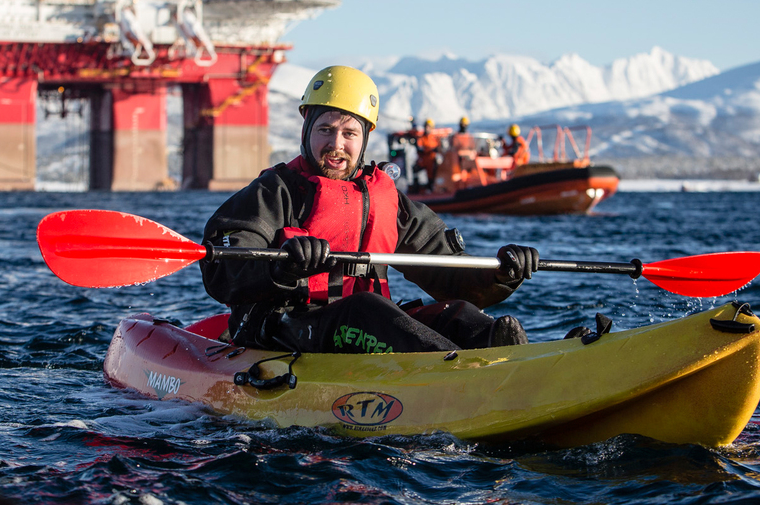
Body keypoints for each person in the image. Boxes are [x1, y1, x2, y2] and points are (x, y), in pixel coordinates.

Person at [201, 66, 539, 355]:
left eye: (349, 133)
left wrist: (499, 274)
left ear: (364, 138)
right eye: (325, 130)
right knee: (366, 310)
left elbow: (447, 273)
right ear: (306, 130)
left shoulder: (387, 199)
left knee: (459, 313)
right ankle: (455, 372)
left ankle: (505, 354)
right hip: (288, 330)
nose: (336, 145)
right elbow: (223, 272)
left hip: (361, 332)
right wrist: (282, 269)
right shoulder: (273, 192)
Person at [415, 118, 441, 192]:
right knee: (423, 176)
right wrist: (429, 150)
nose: (427, 128)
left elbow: (440, 148)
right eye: (426, 126)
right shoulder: (421, 138)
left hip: (434, 161)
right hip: (424, 162)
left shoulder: (435, 138)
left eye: (429, 126)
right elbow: (420, 148)